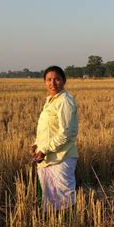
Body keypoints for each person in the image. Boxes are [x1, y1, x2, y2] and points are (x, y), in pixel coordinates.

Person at [30, 66, 78, 211]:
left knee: (63, 202)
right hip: (49, 158)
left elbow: (65, 133)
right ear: (45, 82)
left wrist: (44, 149)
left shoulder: (64, 101)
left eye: (57, 79)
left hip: (61, 158)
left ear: (64, 81)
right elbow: (50, 129)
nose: (53, 83)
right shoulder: (51, 100)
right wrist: (37, 145)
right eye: (49, 80)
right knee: (50, 202)